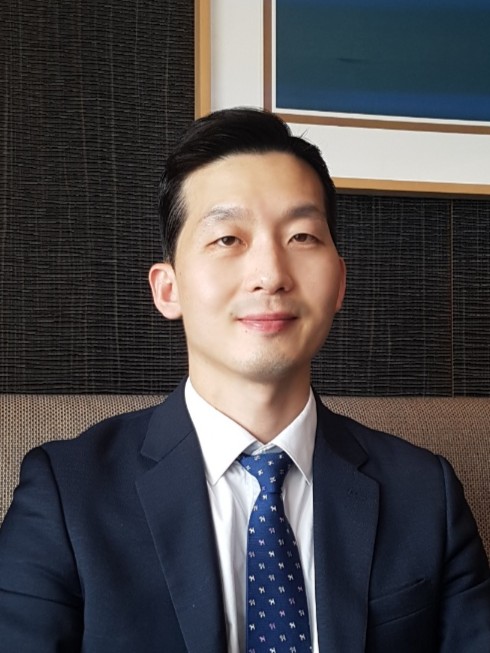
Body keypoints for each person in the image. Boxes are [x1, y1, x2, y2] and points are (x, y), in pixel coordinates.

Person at [0, 108, 489, 653]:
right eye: (228, 239)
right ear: (168, 289)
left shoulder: (425, 493)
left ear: (339, 283)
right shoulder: (67, 495)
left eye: (302, 236)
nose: (271, 275)